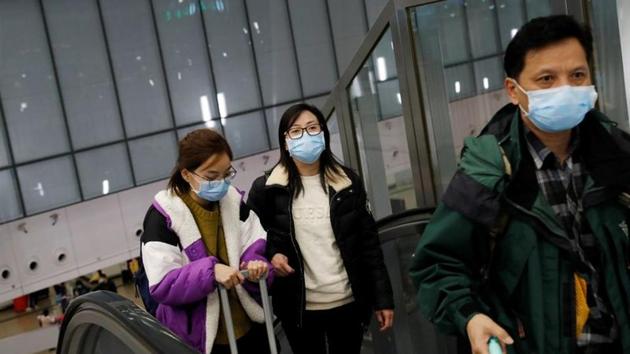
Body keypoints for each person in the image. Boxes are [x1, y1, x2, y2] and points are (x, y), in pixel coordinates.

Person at [410, 15, 630, 354]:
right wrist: (470, 317)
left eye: (577, 75)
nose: (565, 88)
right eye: (546, 79)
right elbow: (438, 264)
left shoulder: (618, 155)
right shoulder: (487, 172)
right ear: (514, 90)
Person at [247, 103, 395, 354]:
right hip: (299, 309)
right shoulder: (267, 189)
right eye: (296, 131)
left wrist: (383, 299)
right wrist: (272, 254)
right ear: (285, 142)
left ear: (324, 134)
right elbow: (253, 239)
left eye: (312, 128)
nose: (305, 135)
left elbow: (369, 245)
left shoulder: (347, 182)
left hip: (348, 302)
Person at [140, 129, 274, 354]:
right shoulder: (163, 216)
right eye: (211, 177)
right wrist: (211, 272)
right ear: (186, 174)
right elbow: (162, 284)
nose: (221, 183)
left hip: (246, 326)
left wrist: (254, 264)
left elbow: (255, 242)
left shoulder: (234, 202)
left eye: (227, 173)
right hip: (200, 338)